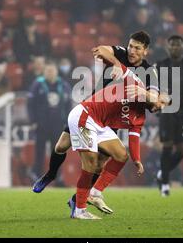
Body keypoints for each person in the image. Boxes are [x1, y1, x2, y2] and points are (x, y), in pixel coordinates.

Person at [32, 31, 162, 209]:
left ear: (146, 51)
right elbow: (99, 50)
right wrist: (116, 63)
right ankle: (51, 174)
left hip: (113, 119)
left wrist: (144, 93)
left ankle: (77, 200)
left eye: (137, 48)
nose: (132, 51)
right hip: (94, 109)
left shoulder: (150, 71)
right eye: (131, 46)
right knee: (61, 145)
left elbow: (156, 100)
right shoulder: (120, 53)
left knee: (100, 163)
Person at [153, 34, 183, 195]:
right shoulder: (160, 66)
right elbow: (152, 89)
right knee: (167, 145)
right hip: (167, 111)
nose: (175, 47)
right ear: (168, 47)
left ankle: (161, 174)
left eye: (178, 45)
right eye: (172, 45)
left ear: (182, 47)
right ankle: (165, 183)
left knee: (182, 150)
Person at [27, 60, 72, 181]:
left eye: (52, 71)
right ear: (44, 72)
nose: (50, 73)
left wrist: (68, 123)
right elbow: (30, 104)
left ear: (56, 72)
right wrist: (33, 121)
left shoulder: (64, 85)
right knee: (39, 151)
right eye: (48, 71)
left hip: (58, 125)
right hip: (41, 124)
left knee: (58, 151)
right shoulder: (37, 84)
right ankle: (36, 175)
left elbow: (68, 105)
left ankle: (58, 176)